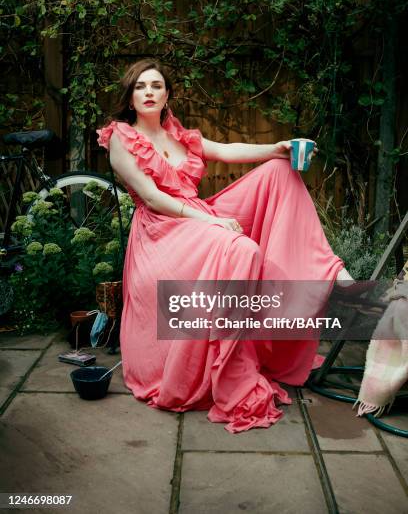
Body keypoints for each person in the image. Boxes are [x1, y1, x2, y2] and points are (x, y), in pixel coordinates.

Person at [96, 58, 355, 433]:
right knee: (242, 249)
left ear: (167, 95)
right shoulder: (121, 137)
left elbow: (228, 149)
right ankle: (232, 364)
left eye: (156, 86)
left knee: (281, 172)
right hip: (161, 232)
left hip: (198, 219)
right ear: (130, 96)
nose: (148, 92)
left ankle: (328, 271)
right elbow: (152, 198)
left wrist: (278, 148)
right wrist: (212, 221)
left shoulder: (178, 135)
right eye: (140, 86)